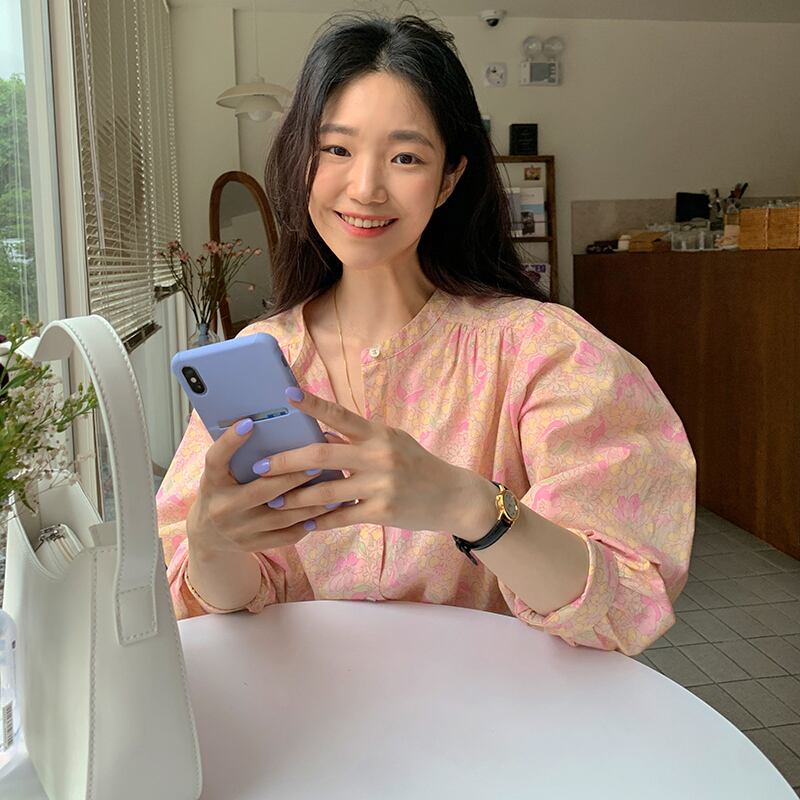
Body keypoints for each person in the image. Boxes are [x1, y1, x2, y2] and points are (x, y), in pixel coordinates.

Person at [156, 12, 696, 656]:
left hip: (495, 707)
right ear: (303, 162)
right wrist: (213, 542)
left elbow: (623, 602)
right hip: (310, 706)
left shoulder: (546, 353)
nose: (365, 188)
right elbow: (212, 608)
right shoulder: (261, 360)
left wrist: (469, 506)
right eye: (337, 149)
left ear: (448, 180)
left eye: (405, 157)